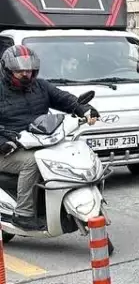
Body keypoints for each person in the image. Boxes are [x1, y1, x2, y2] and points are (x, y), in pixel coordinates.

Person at [0, 45, 97, 231]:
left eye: (29, 70)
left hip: (37, 142)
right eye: (20, 71)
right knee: (33, 162)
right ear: (7, 70)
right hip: (8, 150)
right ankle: (23, 213)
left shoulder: (40, 86)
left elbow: (64, 98)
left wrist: (84, 109)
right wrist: (2, 143)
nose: (26, 74)